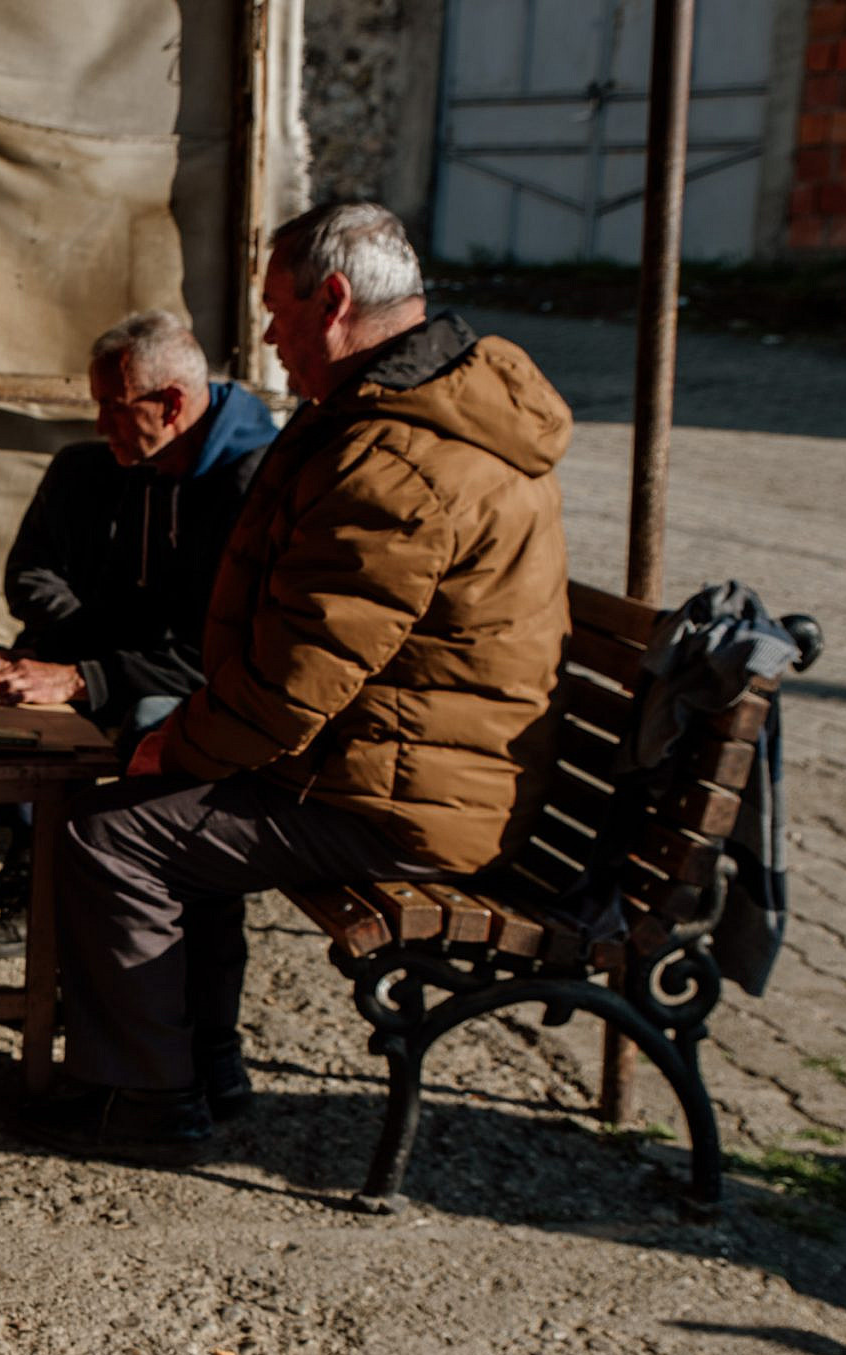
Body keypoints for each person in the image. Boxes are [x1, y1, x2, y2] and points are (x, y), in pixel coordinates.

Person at [52, 200, 573, 1148]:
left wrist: (181, 742)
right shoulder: (394, 414)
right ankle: (200, 1060)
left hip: (404, 805)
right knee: (158, 806)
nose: (265, 335)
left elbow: (301, 675)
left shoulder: (402, 457)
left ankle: (150, 1101)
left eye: (275, 310)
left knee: (112, 835)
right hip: (397, 770)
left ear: (333, 301)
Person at [0, 311, 277, 737]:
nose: (100, 425)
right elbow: (40, 578)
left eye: (114, 406)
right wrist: (34, 656)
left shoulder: (256, 488)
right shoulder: (123, 465)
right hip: (115, 668)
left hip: (202, 694)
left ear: (171, 404)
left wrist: (82, 678)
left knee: (148, 719)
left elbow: (220, 652)